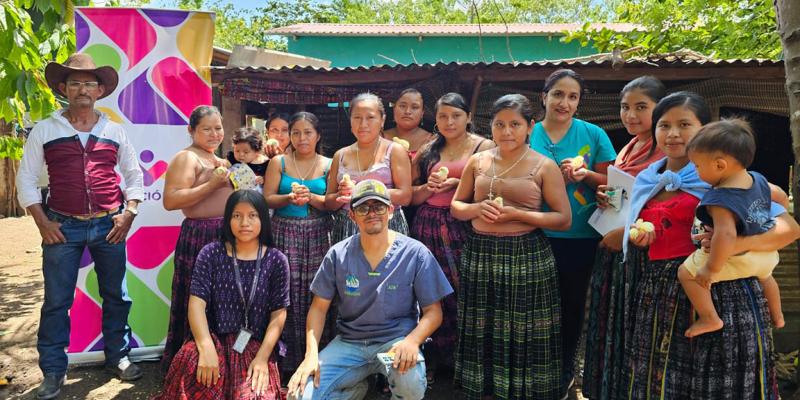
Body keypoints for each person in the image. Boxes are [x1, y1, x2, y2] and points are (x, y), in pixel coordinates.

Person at [622, 92, 797, 399]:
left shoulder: (724, 177)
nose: (673, 133)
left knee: (720, 381)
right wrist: (639, 237)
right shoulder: (648, 180)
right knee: (660, 379)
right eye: (664, 125)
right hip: (659, 292)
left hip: (721, 289)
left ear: (704, 129)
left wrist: (737, 244)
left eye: (684, 124)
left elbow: (789, 229)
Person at [16, 53, 144, 399]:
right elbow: (26, 178)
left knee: (116, 296)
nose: (82, 89)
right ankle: (53, 371)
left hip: (109, 225)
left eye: (89, 83)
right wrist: (42, 222)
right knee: (57, 302)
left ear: (100, 90)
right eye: (75, 83)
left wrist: (129, 213)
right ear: (64, 89)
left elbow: (134, 175)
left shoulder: (114, 131)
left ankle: (118, 357)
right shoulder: (45, 129)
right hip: (62, 228)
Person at [287, 179, 453, 400]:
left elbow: (433, 312)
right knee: (298, 395)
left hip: (396, 341)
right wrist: (311, 356)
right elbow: (318, 309)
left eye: (378, 207)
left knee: (410, 385)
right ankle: (354, 392)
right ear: (352, 216)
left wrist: (412, 341)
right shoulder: (338, 254)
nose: (371, 213)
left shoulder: (415, 253)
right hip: (350, 342)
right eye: (363, 208)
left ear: (391, 211)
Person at [452, 94, 571, 399]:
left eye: (515, 124)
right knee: (484, 321)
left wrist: (518, 214)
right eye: (499, 124)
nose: (506, 131)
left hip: (525, 255)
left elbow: (563, 219)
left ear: (530, 126)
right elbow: (456, 206)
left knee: (521, 326)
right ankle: (485, 387)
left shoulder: (544, 166)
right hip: (480, 253)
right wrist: (477, 208)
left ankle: (522, 389)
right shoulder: (478, 161)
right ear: (490, 126)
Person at [529, 68, 617, 395]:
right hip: (533, 232)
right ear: (544, 97)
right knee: (534, 305)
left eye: (572, 96)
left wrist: (586, 176)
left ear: (579, 102)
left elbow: (614, 185)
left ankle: (565, 369)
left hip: (580, 236)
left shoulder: (594, 135)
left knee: (572, 304)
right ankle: (535, 367)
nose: (564, 103)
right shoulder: (528, 133)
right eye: (557, 94)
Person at [154, 190, 289, 400]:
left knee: (254, 396)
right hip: (213, 339)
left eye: (252, 215)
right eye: (237, 215)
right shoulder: (210, 253)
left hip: (254, 344)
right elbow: (196, 304)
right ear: (227, 219)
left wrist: (263, 358)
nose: (244, 222)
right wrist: (205, 346)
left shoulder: (276, 260)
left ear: (263, 218)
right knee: (196, 383)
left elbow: (278, 314)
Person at [581, 76, 666, 400]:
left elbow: (666, 203)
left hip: (644, 251)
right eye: (625, 107)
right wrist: (606, 195)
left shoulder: (666, 151)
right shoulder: (630, 147)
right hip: (615, 250)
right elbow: (626, 193)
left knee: (636, 330)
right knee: (613, 325)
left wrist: (628, 232)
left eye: (641, 107)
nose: (630, 115)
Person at [409, 92, 492, 379]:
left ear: (468, 117)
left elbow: (495, 187)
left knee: (465, 288)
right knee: (430, 290)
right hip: (427, 225)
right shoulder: (428, 150)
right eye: (443, 116)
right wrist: (428, 188)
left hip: (463, 225)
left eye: (456, 115)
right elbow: (412, 195)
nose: (449, 121)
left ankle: (468, 359)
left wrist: (460, 184)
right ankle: (436, 357)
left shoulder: (484, 147)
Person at [679, 119, 789, 337]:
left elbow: (726, 234)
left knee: (686, 273)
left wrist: (711, 269)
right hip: (766, 256)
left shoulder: (720, 199)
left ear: (719, 165)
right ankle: (778, 316)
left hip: (736, 259)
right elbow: (781, 196)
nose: (696, 171)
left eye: (698, 166)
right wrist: (774, 216)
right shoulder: (757, 180)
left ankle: (710, 318)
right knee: (767, 278)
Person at [263, 111, 335, 376]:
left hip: (318, 233)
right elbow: (268, 198)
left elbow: (332, 203)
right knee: (286, 292)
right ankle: (284, 360)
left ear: (318, 135)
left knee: (318, 291)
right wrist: (288, 198)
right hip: (284, 232)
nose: (302, 138)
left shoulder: (329, 164)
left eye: (308, 133)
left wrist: (312, 197)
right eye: (296, 133)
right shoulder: (279, 162)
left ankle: (317, 356)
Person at [162, 105, 233, 370]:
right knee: (198, 299)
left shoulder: (221, 160)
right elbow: (171, 200)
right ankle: (193, 362)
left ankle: (225, 361)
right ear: (191, 130)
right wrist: (212, 184)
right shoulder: (186, 158)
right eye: (207, 129)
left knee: (224, 298)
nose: (214, 134)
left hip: (228, 235)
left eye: (218, 128)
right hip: (200, 236)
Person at [325, 93, 412, 243]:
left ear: (382, 120)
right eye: (357, 117)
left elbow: (405, 196)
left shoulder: (394, 151)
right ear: (350, 121)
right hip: (348, 227)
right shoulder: (340, 155)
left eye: (370, 117)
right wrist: (342, 194)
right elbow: (329, 202)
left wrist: (361, 190)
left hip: (385, 225)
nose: (363, 124)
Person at [383, 88, 435, 159]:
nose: (407, 111)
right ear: (394, 109)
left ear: (422, 113)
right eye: (402, 106)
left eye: (414, 107)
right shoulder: (380, 138)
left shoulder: (431, 141)